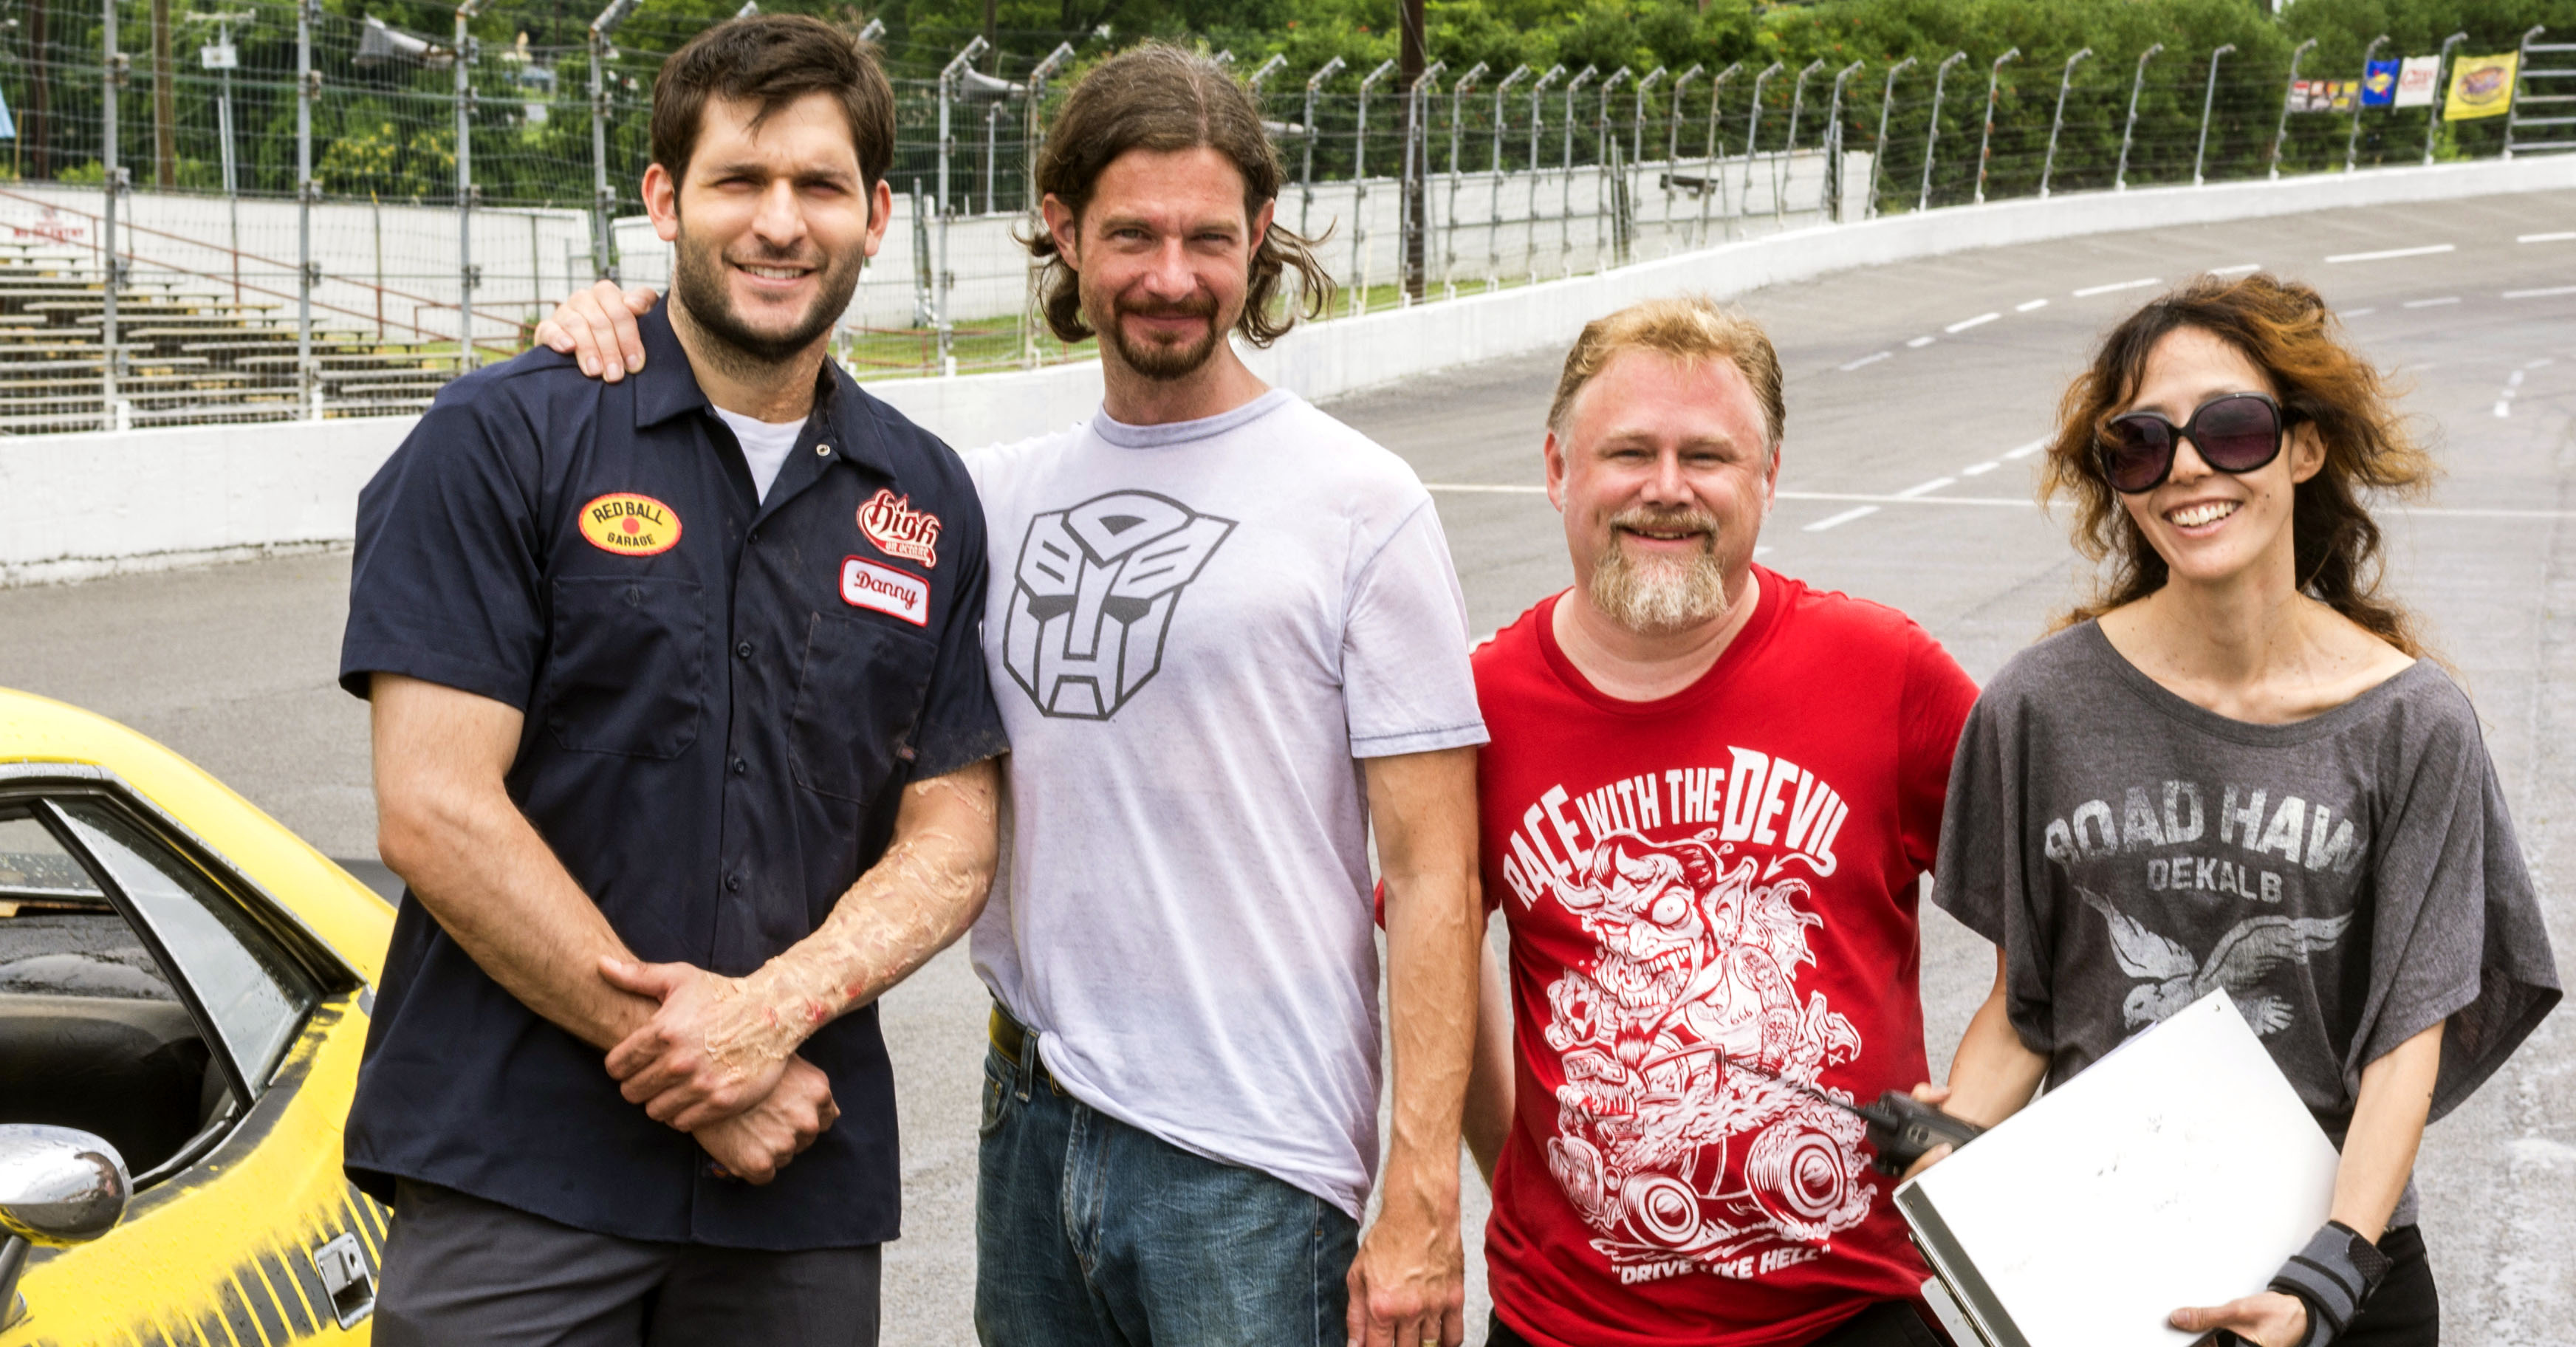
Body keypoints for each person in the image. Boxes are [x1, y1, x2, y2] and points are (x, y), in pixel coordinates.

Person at [536, 43, 1486, 1347]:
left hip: (1256, 1159)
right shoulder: (981, 497)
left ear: (1262, 235)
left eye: (1211, 237)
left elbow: (1437, 874)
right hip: (1032, 1120)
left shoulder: (1363, 506)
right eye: (1133, 233)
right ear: (1061, 228)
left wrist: (1425, 1195)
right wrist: (619, 325)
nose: (1171, 276)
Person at [340, 16, 1008, 1344]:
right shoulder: (503, 439)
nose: (780, 223)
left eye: (820, 187)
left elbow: (955, 833)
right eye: (739, 181)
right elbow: (433, 809)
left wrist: (772, 1017)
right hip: (514, 1175)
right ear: (662, 200)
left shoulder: (924, 496)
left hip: (791, 1191)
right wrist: (707, 1064)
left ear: (879, 216)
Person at [1918, 273, 2560, 1347]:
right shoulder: (2041, 706)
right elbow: (2030, 1003)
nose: (2188, 469)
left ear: (2303, 448)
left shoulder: (2413, 724)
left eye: (2232, 427)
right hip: (2108, 1265)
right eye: (2141, 444)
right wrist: (1952, 1137)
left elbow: (2410, 1034)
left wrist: (2332, 1272)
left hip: (2337, 1268)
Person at [1457, 296, 1979, 1347]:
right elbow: (1435, 951)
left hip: (1851, 1312)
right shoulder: (1477, 706)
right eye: (1628, 453)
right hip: (1570, 1327)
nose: (1666, 489)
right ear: (1559, 468)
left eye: (1708, 455)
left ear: (1768, 477)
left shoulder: (1886, 672)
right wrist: (1537, 1164)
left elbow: (2057, 903)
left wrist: (1976, 1110)